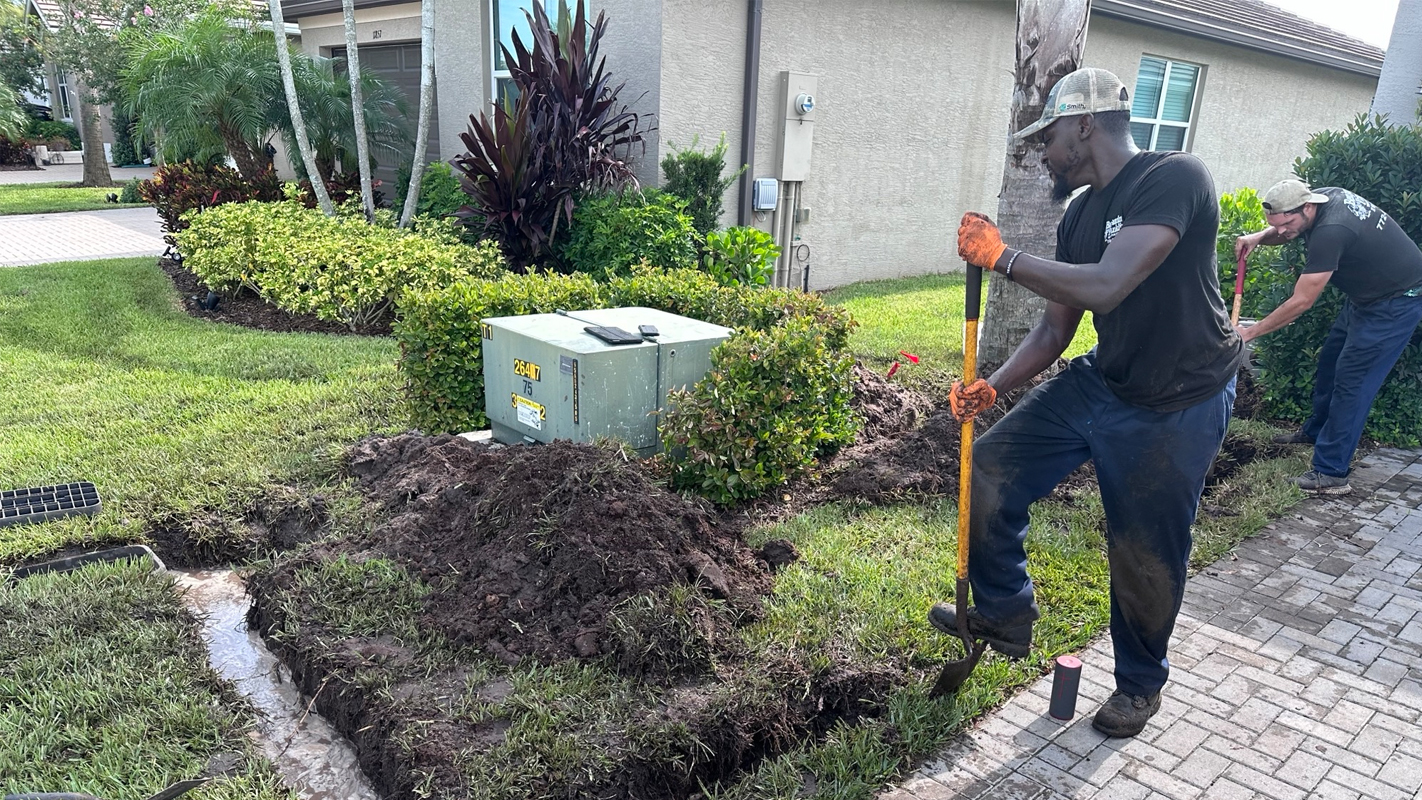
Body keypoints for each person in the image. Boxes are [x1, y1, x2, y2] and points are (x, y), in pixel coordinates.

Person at [932, 67, 1242, 738]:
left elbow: (1108, 285)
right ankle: (1005, 609)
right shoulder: (1080, 214)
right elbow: (1055, 327)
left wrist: (1002, 256)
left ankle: (1138, 685)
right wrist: (996, 385)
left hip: (1180, 400)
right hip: (1106, 380)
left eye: (1048, 139)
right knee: (987, 469)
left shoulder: (1175, 178)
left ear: (1084, 125)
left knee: (1142, 549)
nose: (1043, 153)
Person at [1234, 180, 1422, 495]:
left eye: (1286, 224)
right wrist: (1258, 237)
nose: (1281, 232)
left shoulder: (1332, 229)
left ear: (1308, 207)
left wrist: (1248, 333)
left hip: (1397, 302)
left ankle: (1331, 472)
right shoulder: (1323, 199)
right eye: (1274, 226)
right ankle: (1316, 431)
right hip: (1367, 298)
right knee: (1330, 364)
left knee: (1353, 383)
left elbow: (1301, 302)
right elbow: (1285, 229)